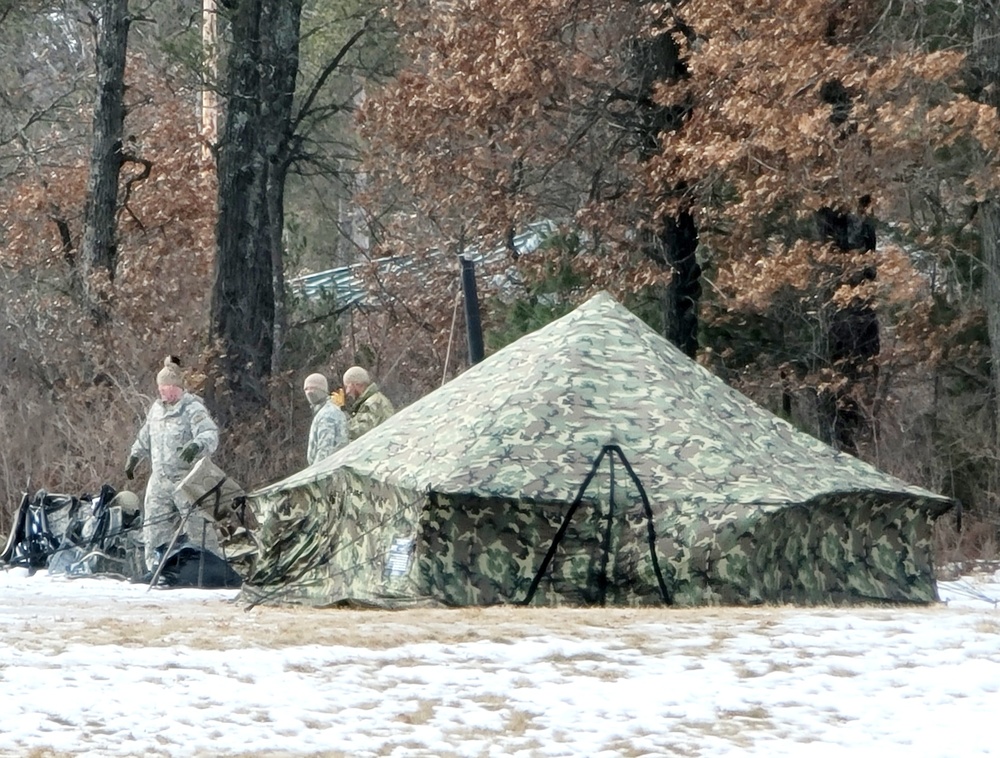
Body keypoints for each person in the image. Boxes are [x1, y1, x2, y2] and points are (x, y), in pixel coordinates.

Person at [125, 357, 222, 571]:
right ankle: (157, 568)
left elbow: (209, 433)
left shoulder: (192, 407)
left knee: (199, 529)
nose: (162, 393)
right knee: (154, 527)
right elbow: (145, 436)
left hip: (186, 479)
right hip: (159, 479)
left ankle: (212, 568)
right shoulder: (156, 410)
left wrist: (196, 445)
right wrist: (134, 457)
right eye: (160, 388)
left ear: (176, 388)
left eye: (166, 388)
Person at [303, 372, 348, 464]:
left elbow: (325, 451)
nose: (309, 392)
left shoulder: (327, 415)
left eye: (313, 388)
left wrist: (314, 475)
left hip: (329, 472)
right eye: (306, 389)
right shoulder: (326, 411)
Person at [342, 365, 394, 440]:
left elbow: (362, 431)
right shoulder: (374, 399)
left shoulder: (372, 403)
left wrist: (341, 420)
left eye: (347, 386)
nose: (347, 392)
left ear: (356, 384)